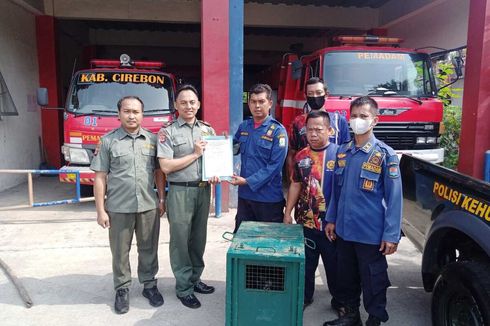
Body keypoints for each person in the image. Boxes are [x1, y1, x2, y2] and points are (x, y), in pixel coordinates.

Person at [324, 96, 402, 326]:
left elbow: (394, 198)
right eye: (354, 116)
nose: (358, 120)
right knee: (346, 277)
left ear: (375, 120)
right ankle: (350, 315)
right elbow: (336, 193)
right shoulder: (343, 152)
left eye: (364, 116)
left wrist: (391, 234)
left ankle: (375, 319)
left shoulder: (384, 155)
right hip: (345, 231)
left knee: (373, 280)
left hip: (371, 233)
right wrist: (331, 219)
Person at [91, 96, 166, 314]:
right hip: (119, 207)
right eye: (127, 111)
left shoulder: (152, 140)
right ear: (119, 114)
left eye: (136, 111)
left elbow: (159, 172)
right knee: (120, 251)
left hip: (148, 205)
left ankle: (149, 285)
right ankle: (122, 289)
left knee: (149, 248)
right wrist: (100, 210)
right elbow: (100, 177)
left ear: (143, 115)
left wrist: (161, 199)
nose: (131, 115)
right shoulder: (107, 141)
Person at [157, 84, 219, 309]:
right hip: (180, 191)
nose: (188, 106)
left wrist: (216, 173)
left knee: (198, 238)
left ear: (199, 104)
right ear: (176, 105)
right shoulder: (167, 132)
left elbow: (214, 160)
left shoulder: (208, 130)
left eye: (192, 102)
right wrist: (194, 154)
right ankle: (184, 287)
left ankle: (195, 279)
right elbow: (165, 166)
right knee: (180, 241)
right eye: (183, 102)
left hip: (203, 189)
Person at [284, 110, 341, 312]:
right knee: (306, 265)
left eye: (318, 129)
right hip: (306, 224)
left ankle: (340, 302)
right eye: (309, 130)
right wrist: (287, 212)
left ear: (329, 130)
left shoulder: (340, 155)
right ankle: (305, 297)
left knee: (335, 267)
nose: (314, 134)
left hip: (332, 226)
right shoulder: (301, 156)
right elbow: (295, 184)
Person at [230, 83, 288, 232]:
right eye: (253, 101)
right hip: (245, 197)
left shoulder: (278, 131)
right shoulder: (244, 127)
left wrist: (248, 181)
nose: (257, 105)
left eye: (261, 101)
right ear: (249, 104)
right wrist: (221, 144)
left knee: (269, 246)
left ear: (270, 103)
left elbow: (275, 166)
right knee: (242, 244)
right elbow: (232, 148)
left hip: (268, 199)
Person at [287, 77, 350, 176]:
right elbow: (292, 153)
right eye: (310, 94)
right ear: (305, 96)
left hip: (332, 177)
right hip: (306, 179)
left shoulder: (339, 121)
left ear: (326, 95)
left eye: (318, 92)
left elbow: (346, 152)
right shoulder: (298, 122)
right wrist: (292, 178)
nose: (315, 96)